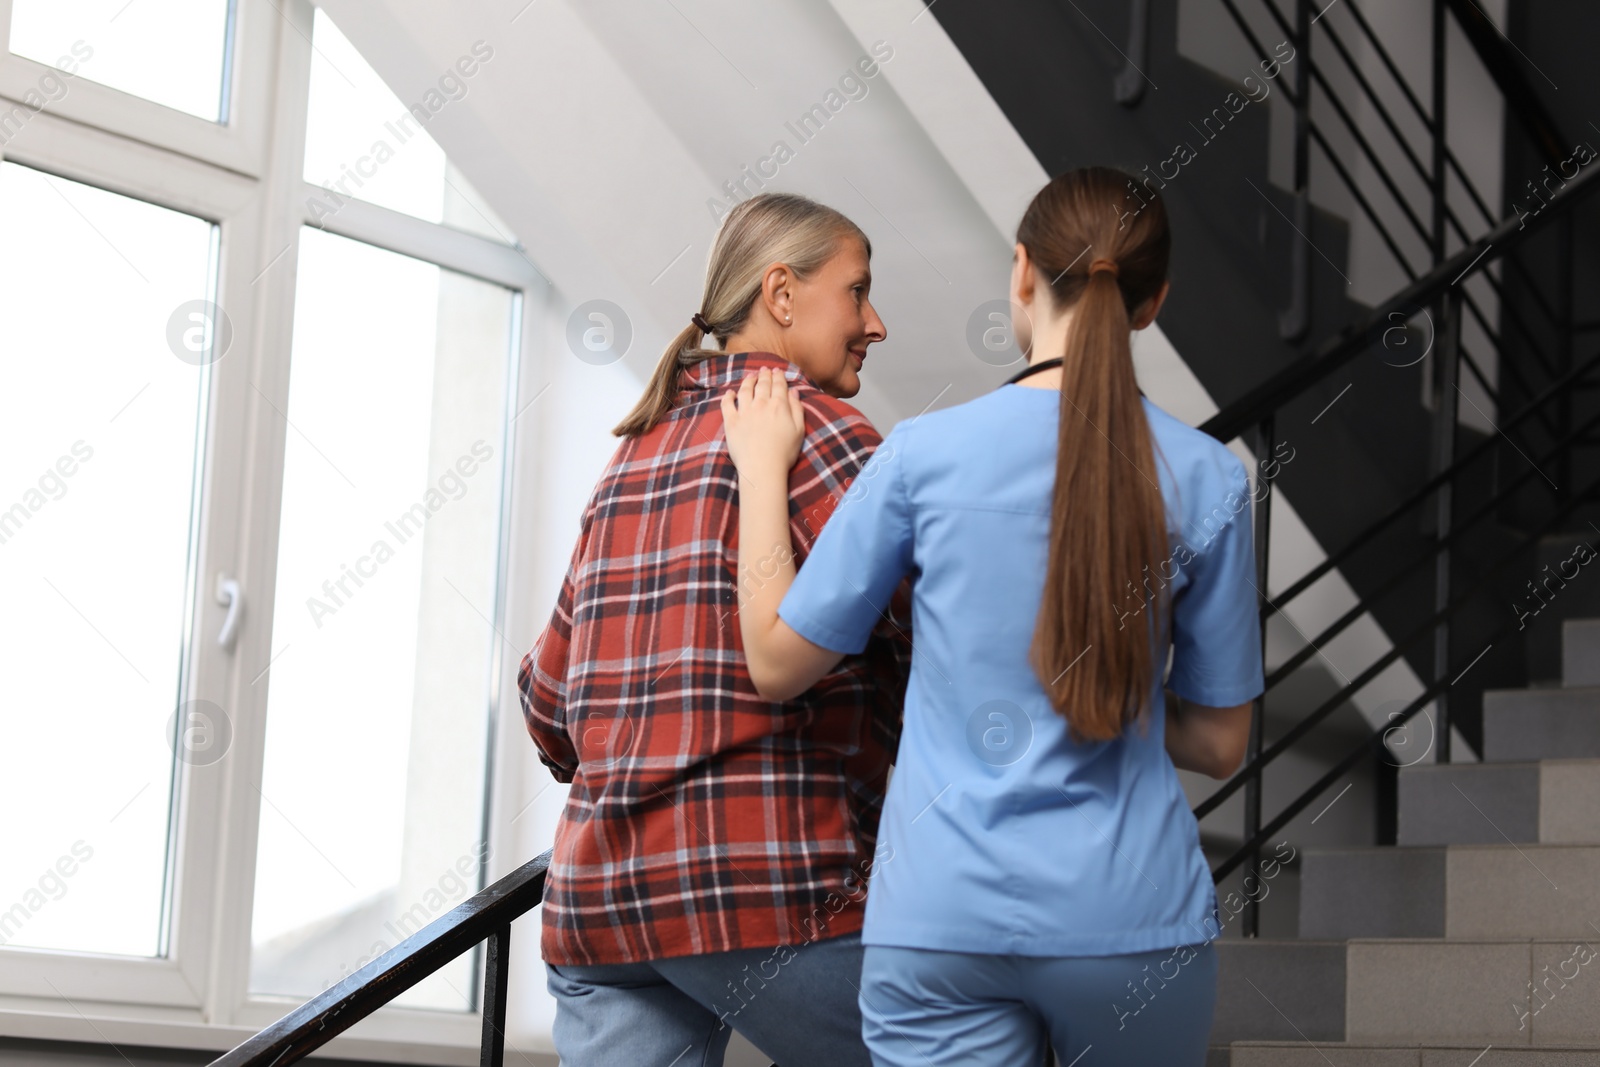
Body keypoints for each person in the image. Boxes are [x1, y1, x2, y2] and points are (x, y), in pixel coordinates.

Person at [720, 166, 1263, 1065]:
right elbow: (1218, 742)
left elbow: (776, 661)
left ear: (1021, 272)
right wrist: (1100, 689)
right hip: (1130, 918)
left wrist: (762, 470)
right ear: (1153, 301)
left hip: (941, 918)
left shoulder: (921, 457)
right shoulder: (1208, 479)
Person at [518, 191, 912, 1066]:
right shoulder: (833, 436)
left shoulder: (629, 457)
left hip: (602, 907)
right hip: (760, 890)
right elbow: (954, 637)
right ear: (781, 293)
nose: (874, 323)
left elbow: (547, 704)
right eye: (858, 291)